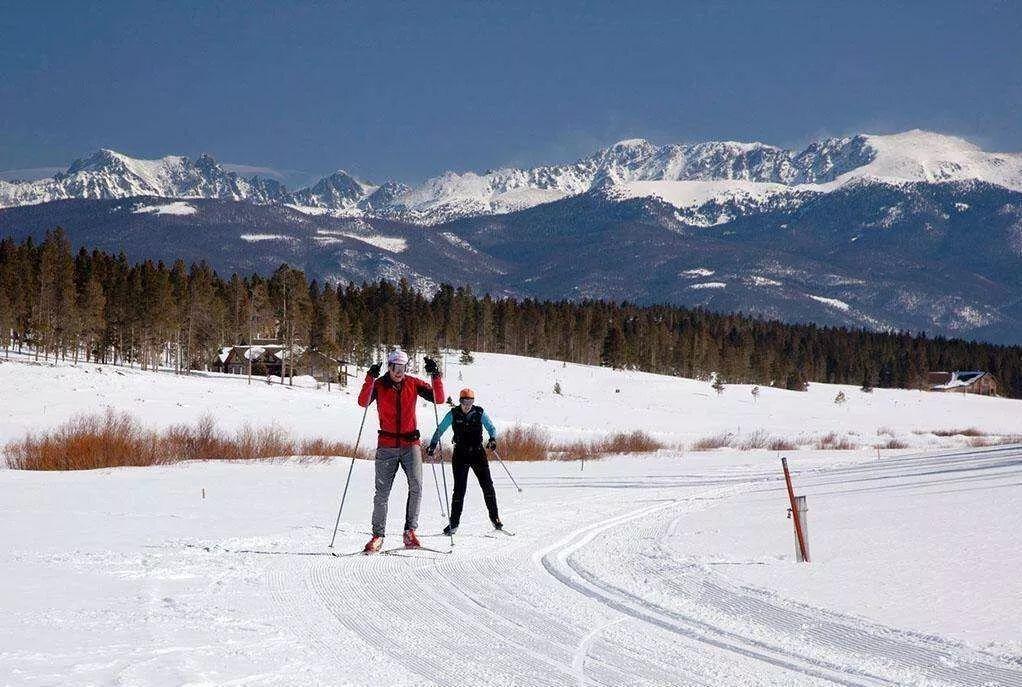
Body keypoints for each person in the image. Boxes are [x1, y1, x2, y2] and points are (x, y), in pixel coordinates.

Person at [357, 348, 444, 553]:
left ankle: (409, 532)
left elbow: (439, 399)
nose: (399, 372)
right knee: (382, 493)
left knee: (416, 486)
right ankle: (377, 536)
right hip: (386, 445)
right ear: (389, 367)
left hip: (410, 444)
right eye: (395, 367)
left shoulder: (413, 383)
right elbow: (362, 402)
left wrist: (436, 376)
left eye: (402, 368)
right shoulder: (379, 385)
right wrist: (370, 377)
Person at [427, 388, 502, 535]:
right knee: (459, 490)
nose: (467, 405)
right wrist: (433, 444)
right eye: (464, 401)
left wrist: (492, 439)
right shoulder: (453, 414)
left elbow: (491, 428)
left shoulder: (479, 413)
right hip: (460, 455)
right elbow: (440, 429)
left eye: (470, 401)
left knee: (487, 486)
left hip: (478, 454)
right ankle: (453, 523)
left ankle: (495, 518)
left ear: (473, 402)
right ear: (460, 401)